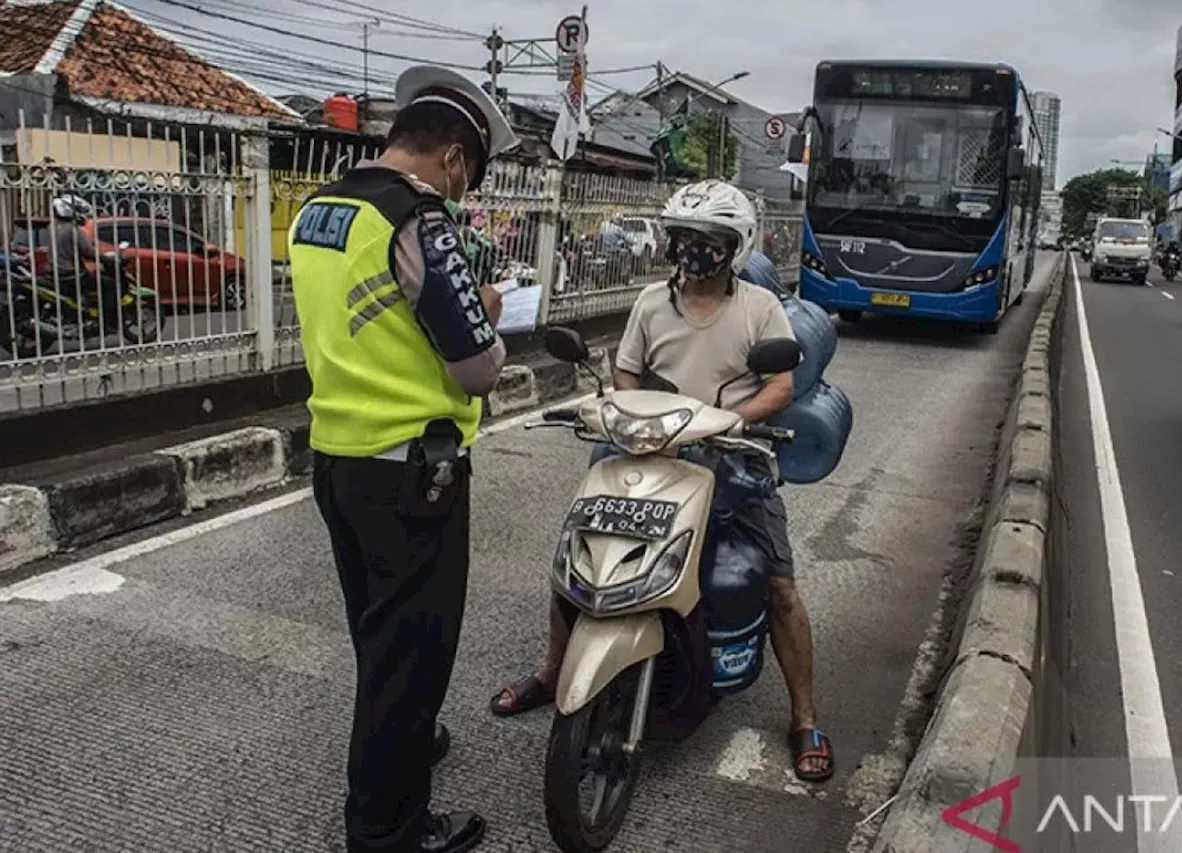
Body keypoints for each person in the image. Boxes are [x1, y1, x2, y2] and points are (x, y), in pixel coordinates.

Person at [489, 179, 836, 784]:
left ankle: (804, 716)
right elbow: (626, 371)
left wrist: (730, 420)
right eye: (683, 239)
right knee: (575, 562)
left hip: (733, 458)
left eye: (707, 241)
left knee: (779, 584)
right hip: (652, 453)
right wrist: (640, 418)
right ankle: (551, 671)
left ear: (734, 246)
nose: (693, 251)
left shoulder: (759, 308)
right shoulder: (652, 303)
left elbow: (780, 385)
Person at [288, 64, 518, 853]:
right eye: (470, 172)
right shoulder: (417, 219)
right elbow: (476, 365)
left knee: (378, 633)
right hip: (413, 471)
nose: (464, 187)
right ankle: (388, 831)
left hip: (338, 456)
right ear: (454, 157)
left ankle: (407, 743)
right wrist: (488, 312)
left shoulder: (321, 209)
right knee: (413, 652)